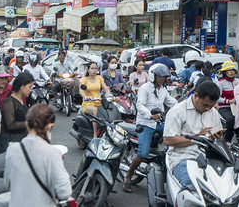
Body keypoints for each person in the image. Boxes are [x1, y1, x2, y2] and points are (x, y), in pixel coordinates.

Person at [4, 104, 72, 207]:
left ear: (27, 124)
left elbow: (7, 184)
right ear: (49, 126)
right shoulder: (52, 153)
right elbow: (64, 192)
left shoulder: (12, 150)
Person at [123, 65, 177, 193]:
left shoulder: (162, 90)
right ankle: (128, 176)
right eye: (160, 76)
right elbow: (139, 105)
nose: (162, 79)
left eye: (164, 77)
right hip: (145, 124)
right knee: (142, 154)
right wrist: (150, 115)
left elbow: (172, 103)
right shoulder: (145, 88)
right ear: (154, 76)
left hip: (158, 123)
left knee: (176, 134)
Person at [163, 82, 223, 188]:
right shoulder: (178, 111)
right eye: (205, 105)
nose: (208, 109)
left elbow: (217, 139)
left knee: (236, 189)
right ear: (195, 95)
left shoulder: (213, 113)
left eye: (211, 106)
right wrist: (197, 137)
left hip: (210, 160)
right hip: (183, 158)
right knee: (192, 187)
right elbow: (168, 140)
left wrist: (216, 138)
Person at [0, 72, 34, 153]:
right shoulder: (9, 103)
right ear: (22, 86)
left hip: (20, 142)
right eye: (29, 87)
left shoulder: (21, 100)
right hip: (10, 145)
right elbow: (11, 125)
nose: (31, 90)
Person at [79, 62, 111, 138]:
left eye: (96, 68)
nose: (94, 70)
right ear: (88, 70)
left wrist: (112, 96)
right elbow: (81, 91)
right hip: (88, 103)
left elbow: (106, 89)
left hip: (99, 102)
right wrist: (86, 97)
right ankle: (95, 135)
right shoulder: (84, 79)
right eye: (92, 68)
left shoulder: (99, 78)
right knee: (95, 111)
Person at [217, 60, 239, 144]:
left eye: (232, 70)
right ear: (225, 72)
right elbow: (217, 98)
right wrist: (228, 101)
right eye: (229, 70)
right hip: (224, 107)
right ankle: (227, 140)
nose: (231, 72)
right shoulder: (220, 83)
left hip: (238, 106)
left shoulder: (238, 81)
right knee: (231, 119)